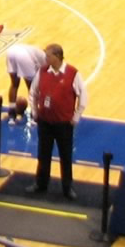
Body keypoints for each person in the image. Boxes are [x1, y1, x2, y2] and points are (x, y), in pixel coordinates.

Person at [29, 43, 85, 200]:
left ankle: (67, 188)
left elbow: (83, 97)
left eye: (48, 56)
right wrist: (34, 111)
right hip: (45, 122)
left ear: (57, 57)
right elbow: (33, 92)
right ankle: (41, 184)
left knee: (65, 156)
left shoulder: (72, 73)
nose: (45, 58)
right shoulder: (42, 72)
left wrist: (76, 117)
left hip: (63, 124)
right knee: (43, 154)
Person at [4, 42, 46, 118]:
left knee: (14, 84)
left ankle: (12, 110)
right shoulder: (45, 59)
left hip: (11, 51)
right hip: (23, 55)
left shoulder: (37, 51)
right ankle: (34, 112)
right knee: (32, 88)